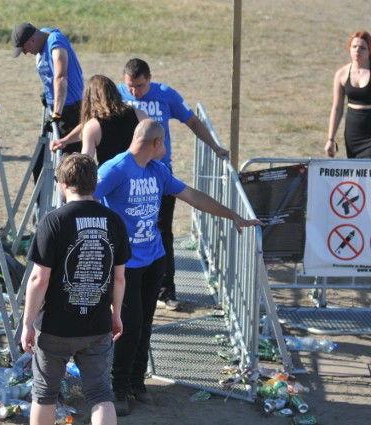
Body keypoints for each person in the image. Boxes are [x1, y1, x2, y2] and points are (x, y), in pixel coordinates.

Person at [94, 119, 262, 416]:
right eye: (166, 142)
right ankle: (117, 387)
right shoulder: (114, 169)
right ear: (156, 143)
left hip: (155, 258)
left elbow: (193, 196)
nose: (168, 147)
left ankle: (136, 381)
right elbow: (86, 200)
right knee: (128, 326)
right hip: (126, 266)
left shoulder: (158, 170)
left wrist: (233, 215)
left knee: (145, 324)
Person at [21, 153, 130, 425]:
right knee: (100, 393)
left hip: (56, 325)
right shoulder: (114, 221)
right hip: (97, 324)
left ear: (63, 184)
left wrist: (27, 323)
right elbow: (119, 278)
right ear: (94, 184)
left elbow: (38, 279)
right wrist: (116, 314)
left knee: (45, 393)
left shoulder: (53, 221)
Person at [118, 58, 230, 311]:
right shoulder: (117, 94)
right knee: (127, 230)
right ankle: (125, 287)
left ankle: (166, 290)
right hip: (127, 176)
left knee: (162, 230)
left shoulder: (166, 95)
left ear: (150, 79)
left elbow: (193, 122)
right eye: (130, 86)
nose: (134, 92)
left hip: (159, 174)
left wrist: (215, 146)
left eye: (140, 86)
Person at [10, 22, 84, 182]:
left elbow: (61, 77)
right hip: (55, 111)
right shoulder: (42, 36)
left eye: (24, 48)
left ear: (32, 41)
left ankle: (69, 203)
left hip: (70, 111)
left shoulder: (56, 42)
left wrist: (57, 113)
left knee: (69, 168)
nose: (24, 53)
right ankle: (41, 206)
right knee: (40, 164)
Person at [50, 74, 148, 165]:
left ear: (89, 99)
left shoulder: (94, 126)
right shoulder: (140, 115)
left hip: (111, 179)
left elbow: (86, 164)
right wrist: (65, 141)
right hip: (138, 178)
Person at [325, 30, 371, 159]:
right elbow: (337, 108)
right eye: (354, 46)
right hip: (353, 132)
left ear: (369, 51)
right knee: (357, 174)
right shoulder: (342, 74)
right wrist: (330, 139)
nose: (357, 50)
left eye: (362, 47)